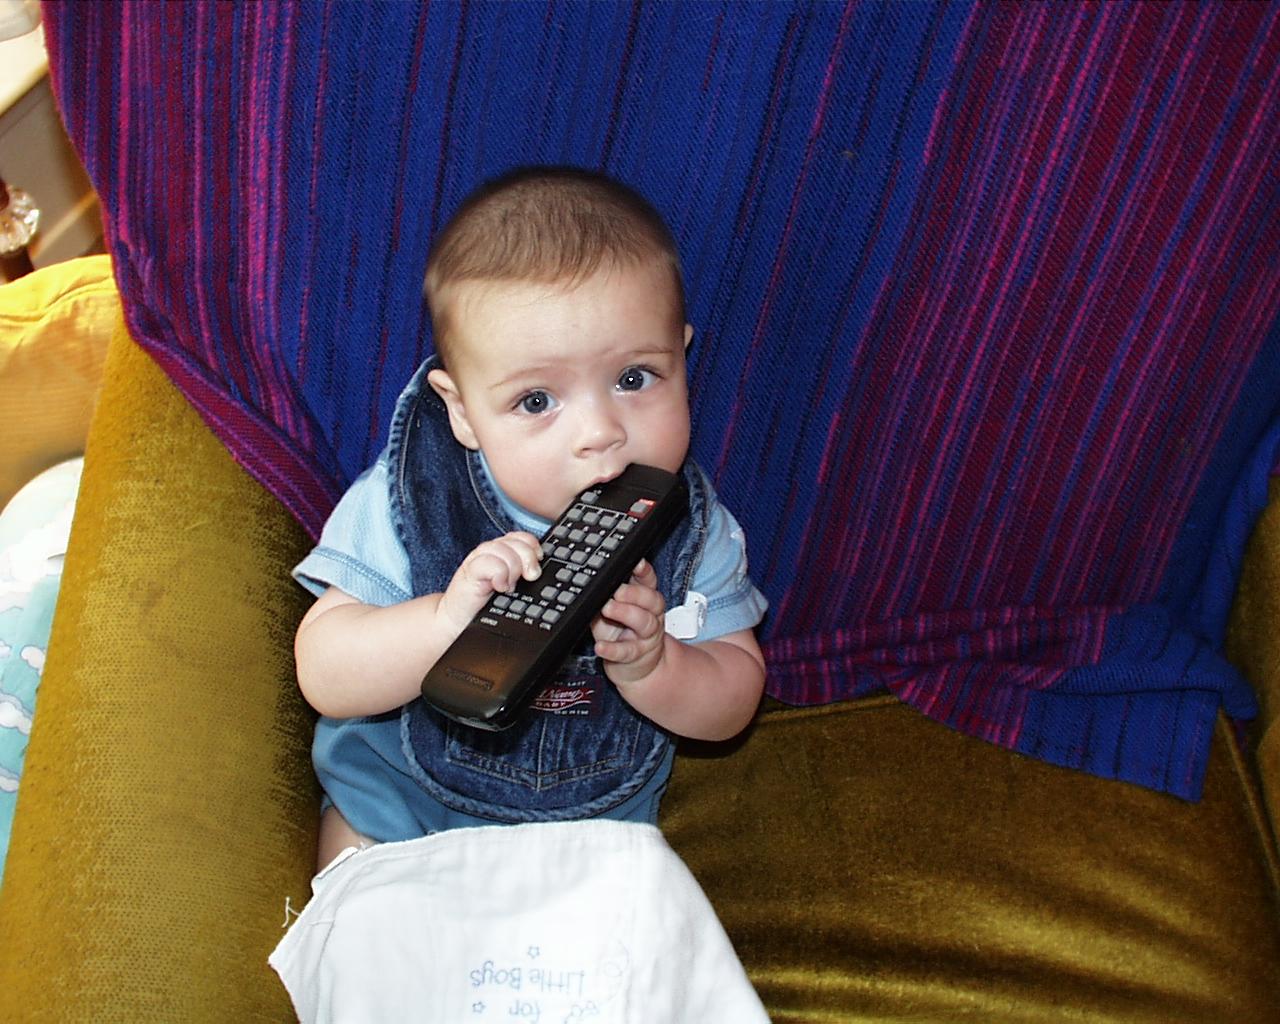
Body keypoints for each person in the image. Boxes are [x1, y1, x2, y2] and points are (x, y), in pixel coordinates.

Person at [292, 166, 768, 869]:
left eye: (634, 379)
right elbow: (325, 673)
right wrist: (444, 625)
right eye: (537, 401)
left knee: (639, 925)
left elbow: (733, 704)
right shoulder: (412, 496)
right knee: (357, 889)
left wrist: (656, 667)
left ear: (682, 358)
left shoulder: (695, 530)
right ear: (462, 413)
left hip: (593, 829)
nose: (600, 432)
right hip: (399, 806)